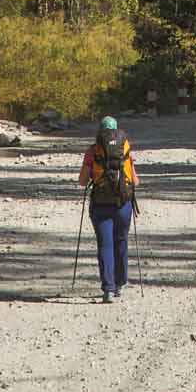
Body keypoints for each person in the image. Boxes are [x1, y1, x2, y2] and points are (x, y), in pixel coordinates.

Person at [79, 114, 138, 303]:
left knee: (105, 244)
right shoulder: (124, 150)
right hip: (123, 204)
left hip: (101, 205)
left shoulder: (92, 151)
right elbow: (135, 181)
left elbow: (82, 181)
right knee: (121, 240)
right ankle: (121, 282)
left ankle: (108, 289)